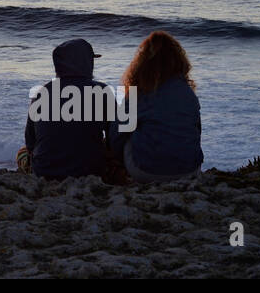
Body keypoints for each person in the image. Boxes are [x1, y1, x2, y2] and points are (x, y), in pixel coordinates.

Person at [20, 38, 117, 179]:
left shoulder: (41, 93)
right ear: (86, 63)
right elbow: (114, 138)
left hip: (44, 172)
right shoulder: (102, 91)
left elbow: (30, 143)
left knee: (22, 152)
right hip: (90, 172)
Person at [116, 31, 203, 182]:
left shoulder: (140, 92)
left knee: (125, 130)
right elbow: (197, 130)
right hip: (190, 170)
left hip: (147, 172)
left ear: (143, 63)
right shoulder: (188, 93)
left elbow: (118, 134)